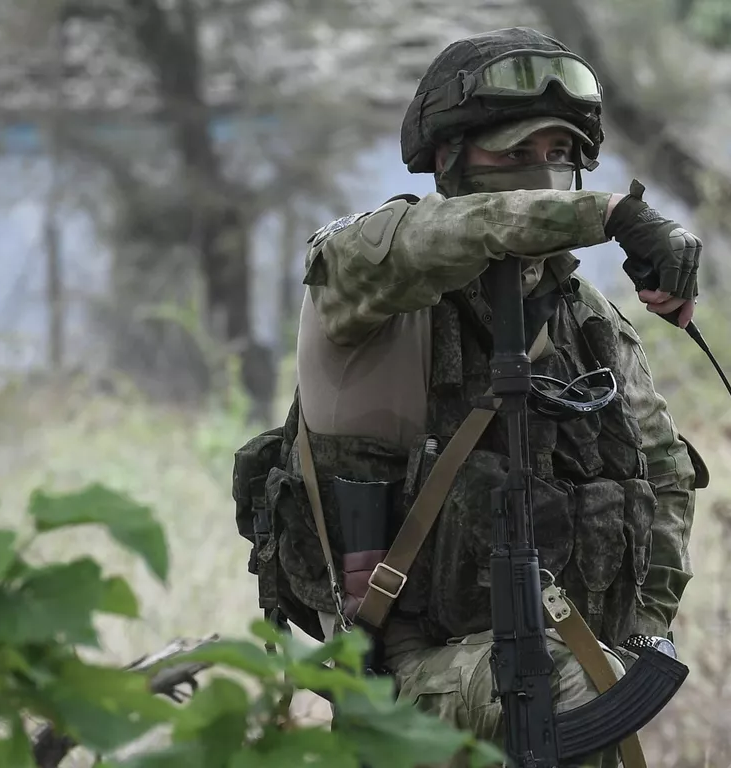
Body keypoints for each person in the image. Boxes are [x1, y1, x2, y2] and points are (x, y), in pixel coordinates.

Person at [244, 27, 707, 768]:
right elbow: (452, 233)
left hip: (566, 661)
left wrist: (642, 636)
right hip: (405, 678)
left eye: (560, 155)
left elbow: (664, 477)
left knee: (587, 679)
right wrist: (610, 215)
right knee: (573, 683)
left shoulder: (584, 318)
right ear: (448, 161)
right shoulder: (366, 275)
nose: (544, 174)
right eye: (515, 154)